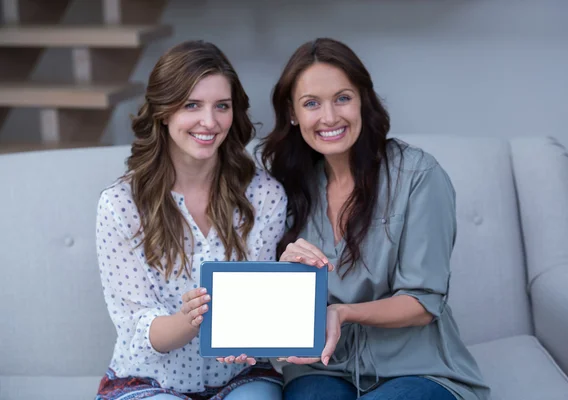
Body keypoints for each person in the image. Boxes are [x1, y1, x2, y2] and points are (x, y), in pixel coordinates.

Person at [259, 38, 490, 400]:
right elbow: (276, 306)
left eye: (342, 98)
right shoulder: (287, 187)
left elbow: (423, 302)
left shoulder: (418, 175)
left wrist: (343, 312)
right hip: (323, 366)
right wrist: (284, 278)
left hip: (417, 369)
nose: (330, 117)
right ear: (292, 113)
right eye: (311, 104)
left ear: (363, 101)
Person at [95, 40, 287, 400]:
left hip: (241, 374)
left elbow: (259, 305)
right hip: (150, 380)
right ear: (164, 112)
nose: (210, 122)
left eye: (222, 106)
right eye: (191, 105)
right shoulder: (120, 205)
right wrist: (191, 321)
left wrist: (251, 327)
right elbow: (138, 327)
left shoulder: (265, 195)